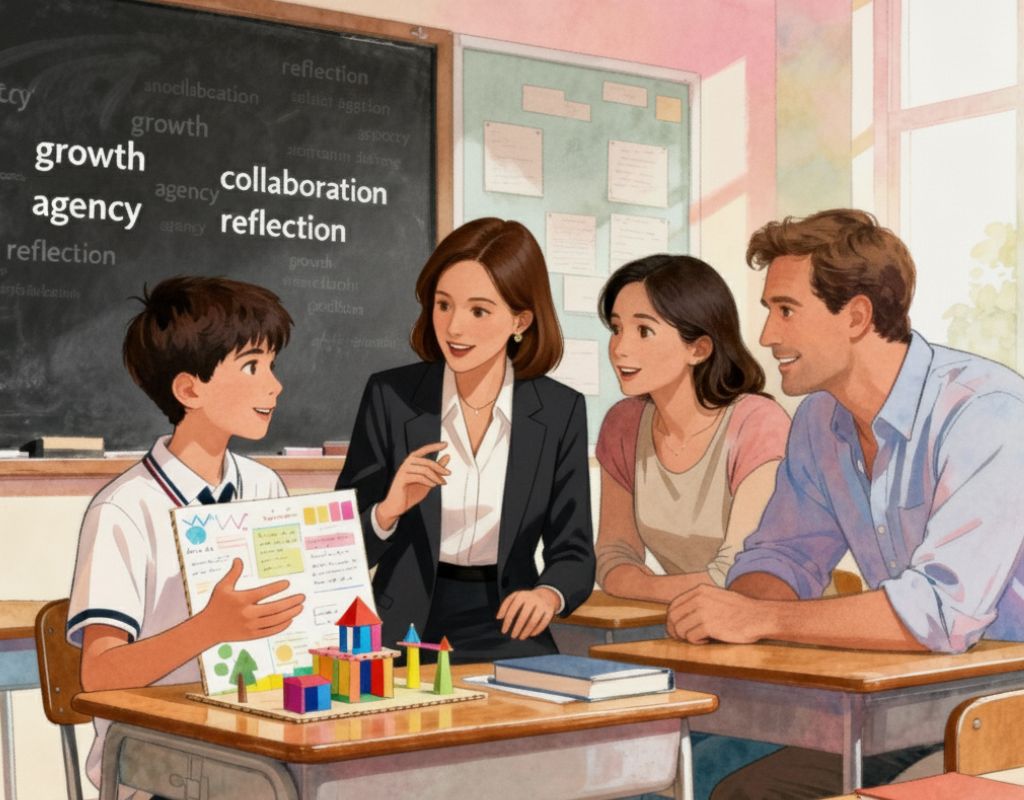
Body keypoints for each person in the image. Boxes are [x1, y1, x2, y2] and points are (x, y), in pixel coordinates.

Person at [661, 210, 1024, 800]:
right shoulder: (819, 421)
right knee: (728, 788)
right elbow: (783, 557)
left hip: (1004, 715)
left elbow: (942, 611)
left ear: (856, 316)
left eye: (785, 310)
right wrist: (733, 607)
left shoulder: (986, 412)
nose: (767, 336)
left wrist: (762, 619)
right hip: (906, 705)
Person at [66, 276, 305, 797]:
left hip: (254, 742)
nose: (275, 385)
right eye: (252, 366)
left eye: (271, 365)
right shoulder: (124, 510)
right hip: (155, 763)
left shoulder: (265, 486)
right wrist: (211, 627)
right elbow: (99, 676)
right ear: (189, 389)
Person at [336, 217, 595, 663]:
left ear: (520, 319)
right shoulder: (392, 397)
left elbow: (572, 550)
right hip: (402, 627)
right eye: (443, 305)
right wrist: (388, 510)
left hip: (510, 623)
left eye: (478, 310)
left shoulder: (558, 410)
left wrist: (548, 596)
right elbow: (337, 543)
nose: (454, 328)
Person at [595, 254, 790, 601]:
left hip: (781, 628)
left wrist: (641, 586)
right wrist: (645, 585)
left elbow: (738, 573)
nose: (620, 348)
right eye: (616, 329)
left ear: (699, 348)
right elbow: (613, 554)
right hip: (691, 620)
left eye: (644, 331)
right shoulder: (622, 424)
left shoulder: (758, 424)